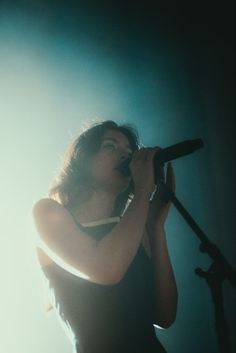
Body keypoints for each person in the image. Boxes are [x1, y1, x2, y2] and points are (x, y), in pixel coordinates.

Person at [32, 120, 178, 353]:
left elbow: (164, 316)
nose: (125, 156)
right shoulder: (48, 213)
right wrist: (142, 192)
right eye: (110, 146)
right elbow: (106, 270)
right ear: (82, 158)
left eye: (129, 152)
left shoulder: (133, 229)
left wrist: (155, 227)